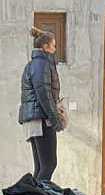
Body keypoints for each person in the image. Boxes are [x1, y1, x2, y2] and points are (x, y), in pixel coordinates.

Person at [19, 29, 64, 183]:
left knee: (41, 167)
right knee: (49, 165)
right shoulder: (41, 64)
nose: (55, 49)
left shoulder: (34, 64)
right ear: (45, 47)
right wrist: (55, 119)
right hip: (42, 119)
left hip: (35, 118)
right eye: (53, 46)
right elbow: (44, 94)